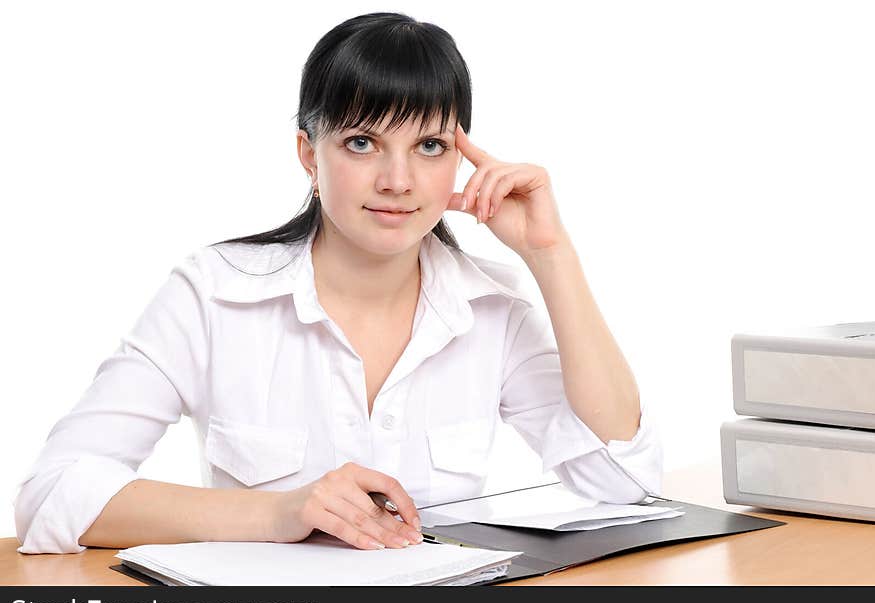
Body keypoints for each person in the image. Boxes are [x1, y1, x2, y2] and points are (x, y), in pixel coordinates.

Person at [13, 11, 661, 555]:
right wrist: (278, 515)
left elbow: (626, 481)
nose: (398, 180)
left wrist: (552, 257)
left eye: (430, 146)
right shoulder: (213, 293)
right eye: (361, 142)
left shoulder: (492, 306)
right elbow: (54, 490)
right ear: (309, 155)